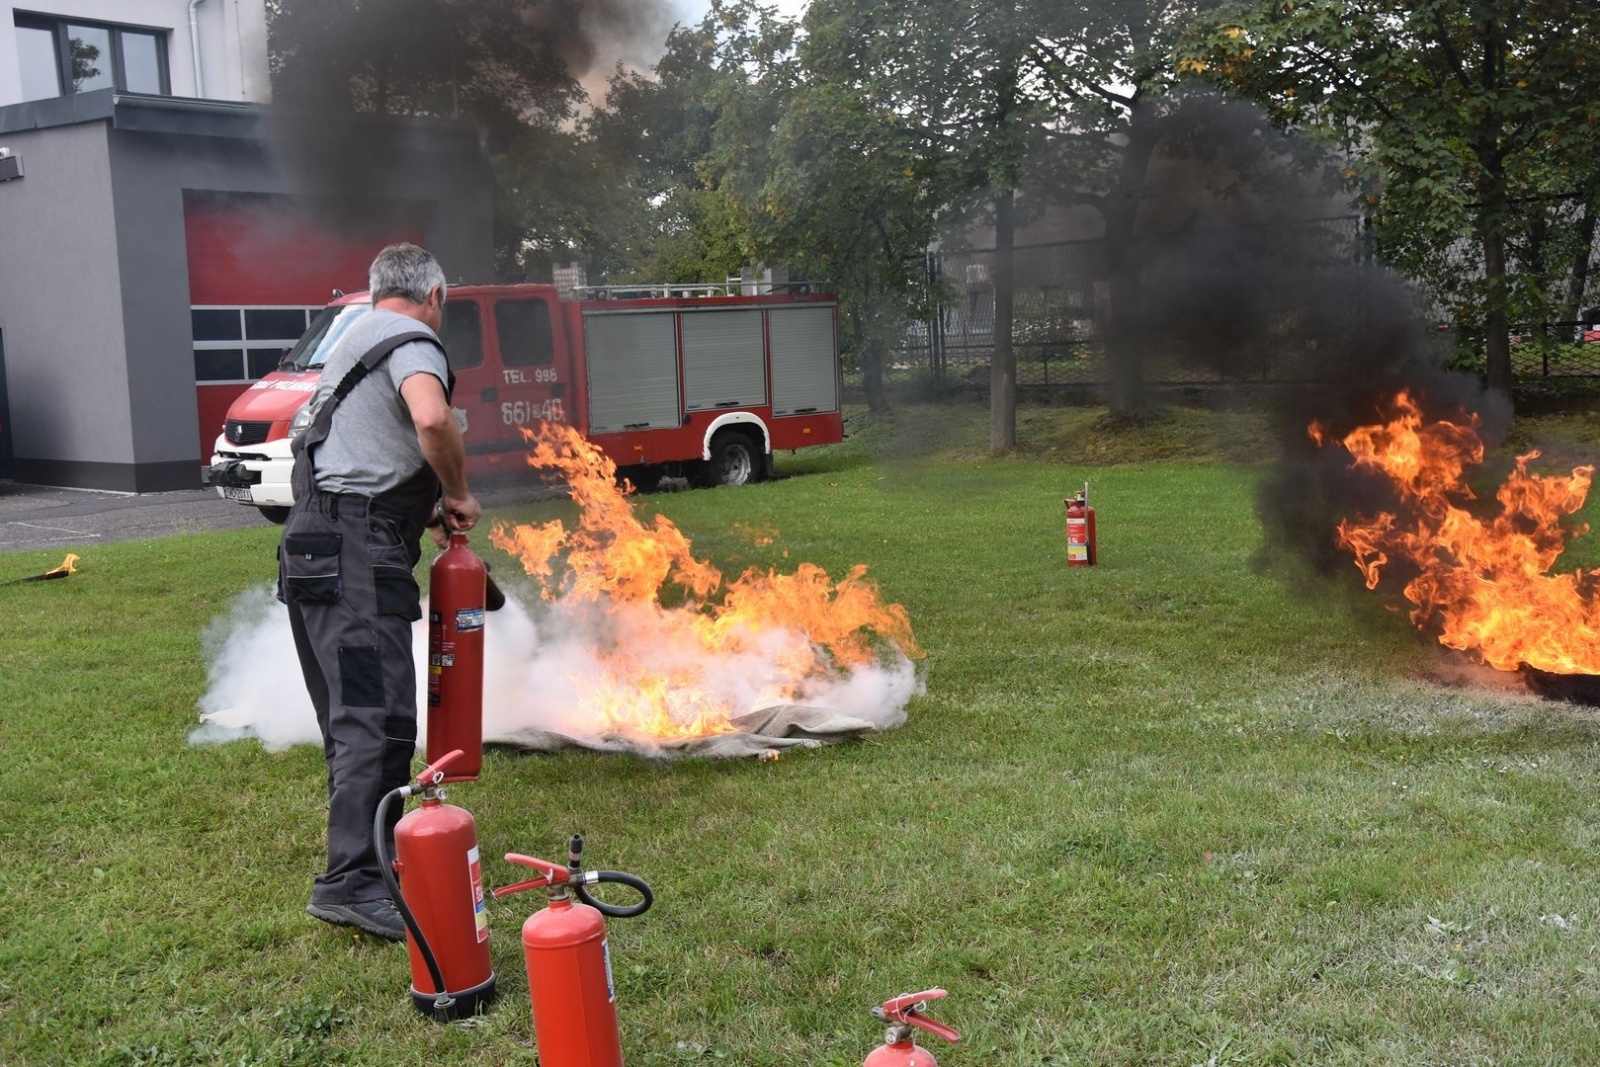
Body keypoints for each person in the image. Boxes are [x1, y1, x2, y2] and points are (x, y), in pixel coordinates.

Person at [279, 243, 481, 941]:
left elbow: (359, 453)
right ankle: (353, 881)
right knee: (379, 714)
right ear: (434, 297)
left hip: (315, 548)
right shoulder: (412, 338)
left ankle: (371, 860)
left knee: (349, 716)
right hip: (355, 557)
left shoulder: (351, 337)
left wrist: (418, 510)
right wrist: (455, 490)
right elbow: (431, 419)